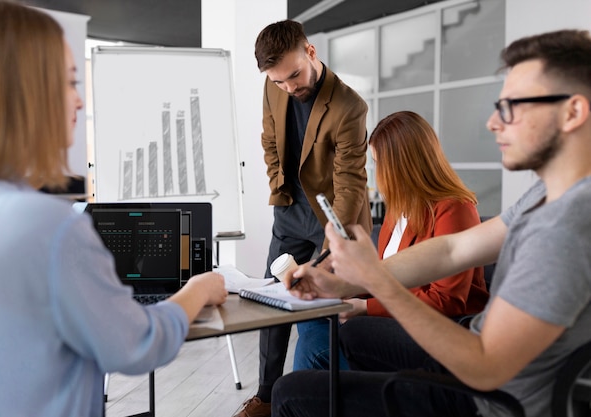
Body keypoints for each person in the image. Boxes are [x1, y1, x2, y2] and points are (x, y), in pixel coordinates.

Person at [273, 28, 591, 417]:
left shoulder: (566, 227)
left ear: (573, 111)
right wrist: (346, 281)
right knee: (334, 340)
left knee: (292, 392)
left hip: (487, 399)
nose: (493, 122)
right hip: (477, 364)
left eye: (512, 106)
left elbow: (486, 365)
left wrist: (373, 284)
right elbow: (454, 248)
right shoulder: (545, 196)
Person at [0, 2, 227, 416]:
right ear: (25, 91)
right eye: (70, 83)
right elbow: (137, 344)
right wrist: (198, 289)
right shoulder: (47, 228)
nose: (79, 103)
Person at [235, 19, 373, 417]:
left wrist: (333, 242)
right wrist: (278, 187)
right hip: (290, 210)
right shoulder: (273, 84)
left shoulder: (349, 106)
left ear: (310, 52)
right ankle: (265, 396)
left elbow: (350, 182)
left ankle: (323, 393)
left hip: (333, 214)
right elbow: (268, 138)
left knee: (326, 303)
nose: (289, 88)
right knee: (271, 299)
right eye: (280, 82)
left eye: (294, 75)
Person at [293, 111, 489, 372]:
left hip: (440, 327)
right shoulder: (398, 210)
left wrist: (365, 306)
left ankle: (322, 395)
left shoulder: (455, 208)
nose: (376, 174)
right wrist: (344, 290)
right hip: (397, 316)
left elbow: (447, 301)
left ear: (403, 165)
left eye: (378, 163)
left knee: (324, 349)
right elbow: (388, 275)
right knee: (310, 319)